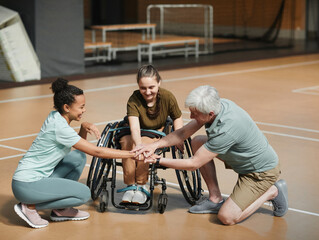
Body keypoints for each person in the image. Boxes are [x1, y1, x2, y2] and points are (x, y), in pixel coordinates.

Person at [133, 85, 288, 225]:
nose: (192, 116)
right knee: (197, 142)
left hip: (260, 173)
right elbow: (183, 133)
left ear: (210, 114)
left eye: (195, 113)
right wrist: (154, 145)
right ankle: (215, 199)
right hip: (243, 158)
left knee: (227, 217)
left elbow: (194, 163)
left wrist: (158, 161)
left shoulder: (226, 129)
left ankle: (272, 192)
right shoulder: (218, 105)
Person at [12, 78, 137, 229]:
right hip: (27, 184)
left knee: (78, 157)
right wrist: (132, 154)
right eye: (81, 107)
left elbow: (80, 148)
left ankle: (60, 210)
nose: (84, 110)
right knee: (83, 194)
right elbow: (97, 151)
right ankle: (29, 207)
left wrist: (83, 127)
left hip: (32, 180)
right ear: (66, 107)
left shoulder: (55, 117)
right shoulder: (60, 128)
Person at [119, 65, 183, 204]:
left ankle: (141, 185)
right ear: (138, 85)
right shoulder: (133, 99)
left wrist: (179, 137)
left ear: (159, 82)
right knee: (127, 143)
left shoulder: (167, 97)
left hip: (154, 132)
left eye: (151, 87)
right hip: (134, 130)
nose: (147, 92)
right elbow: (134, 128)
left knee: (146, 145)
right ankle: (130, 186)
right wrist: (137, 144)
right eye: (143, 88)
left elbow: (177, 117)